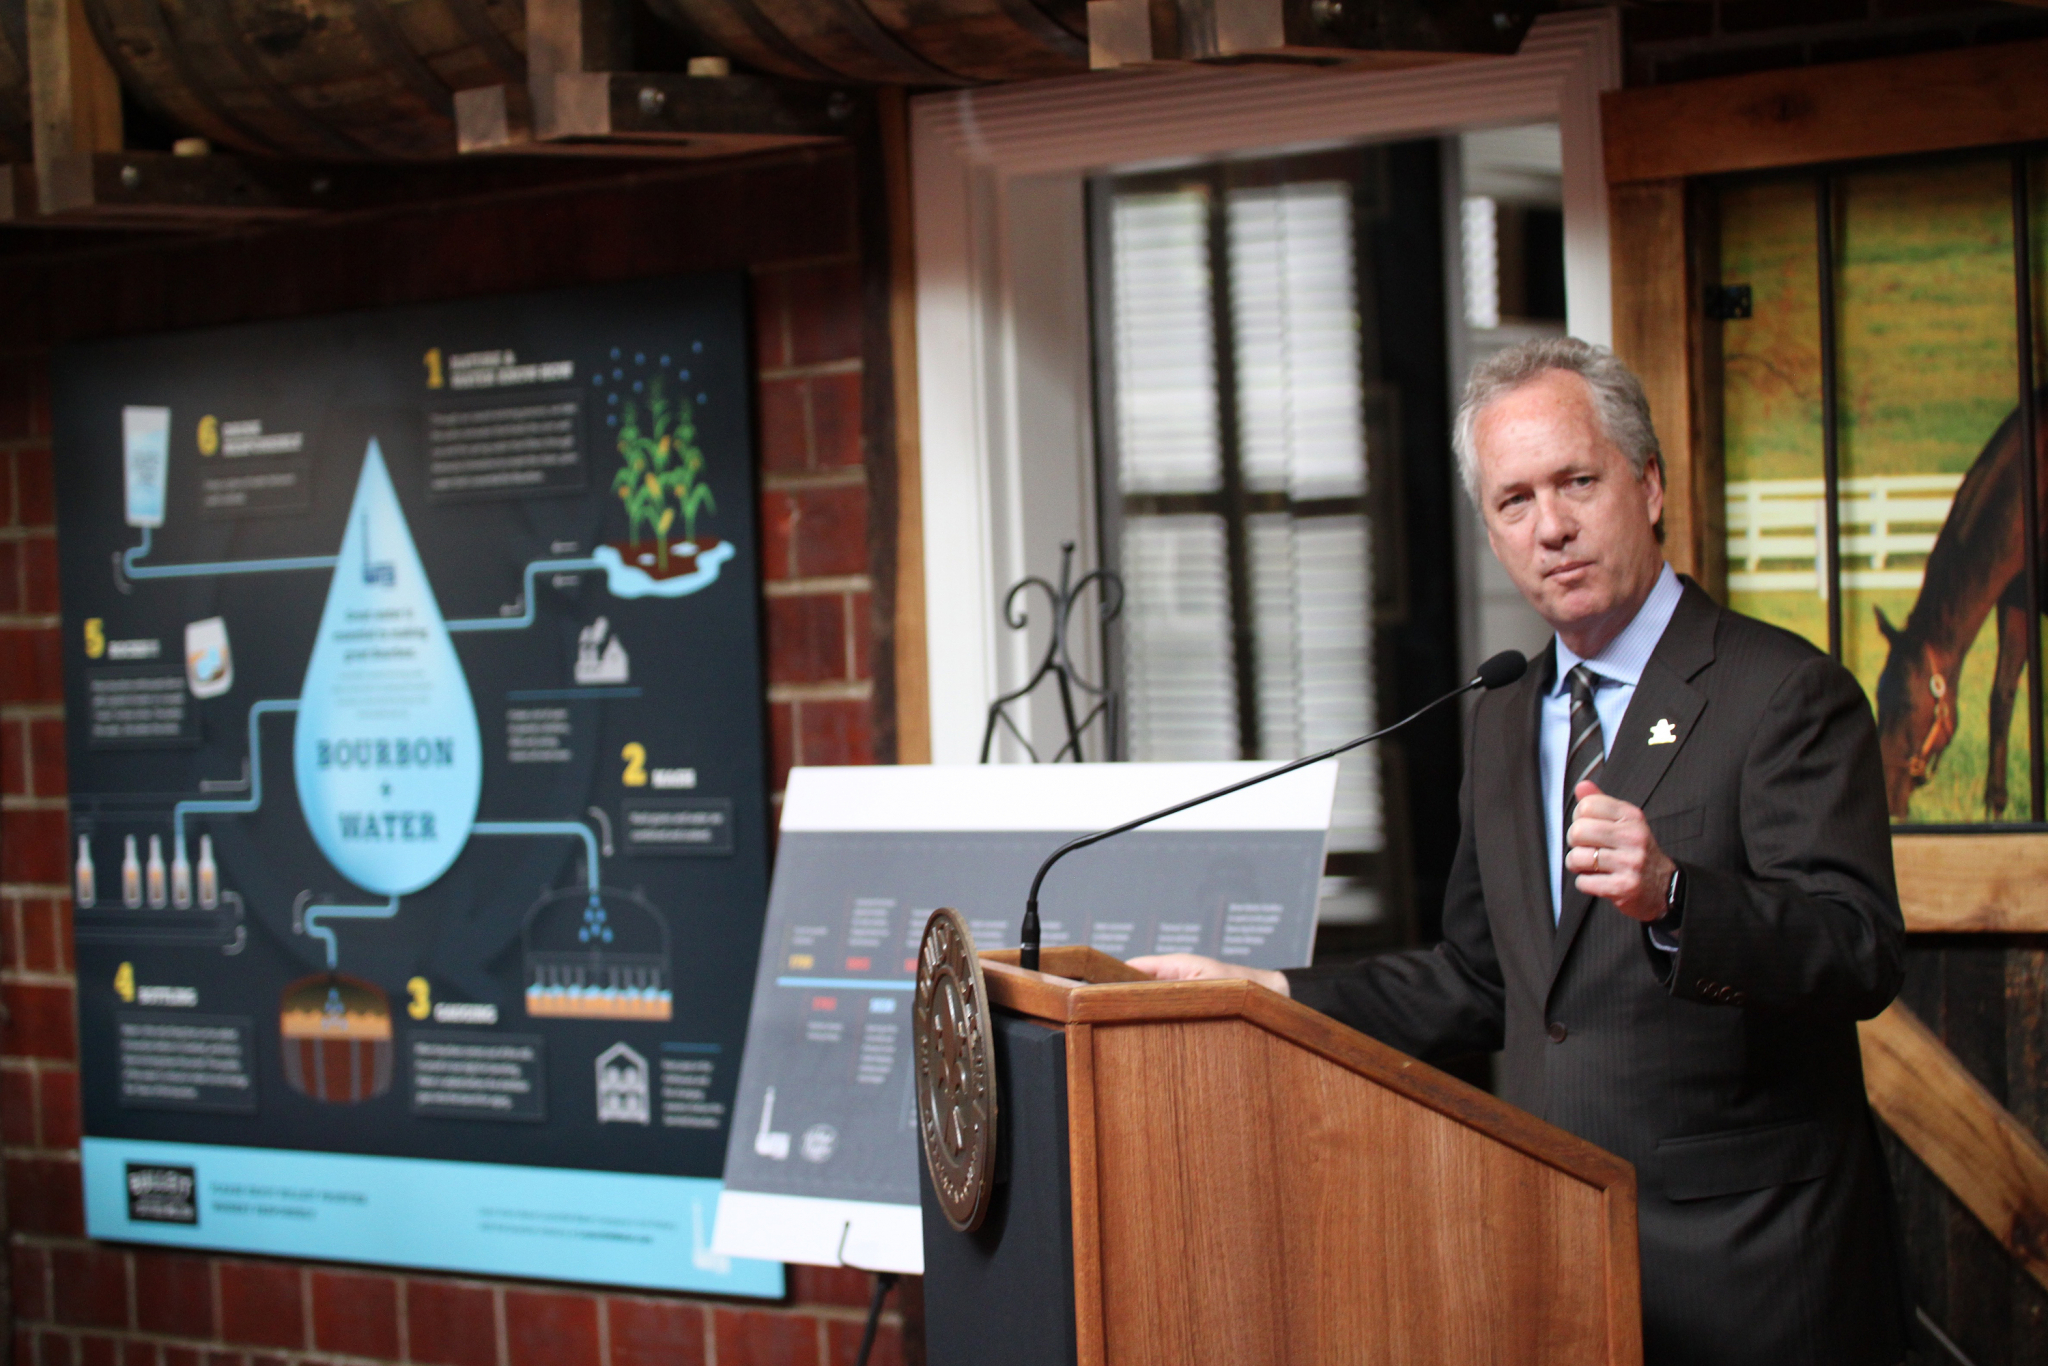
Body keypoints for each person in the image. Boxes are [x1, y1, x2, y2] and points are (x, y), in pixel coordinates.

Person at [1131, 338, 1908, 1366]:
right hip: (1554, 1253)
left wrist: (1676, 895)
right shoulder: (1503, 711)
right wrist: (1267, 992)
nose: (1550, 526)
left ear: (1648, 486)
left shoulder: (1782, 692)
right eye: (1514, 501)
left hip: (1755, 1274)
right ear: (1491, 532)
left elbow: (1857, 951)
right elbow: (1482, 979)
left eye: (1576, 482)